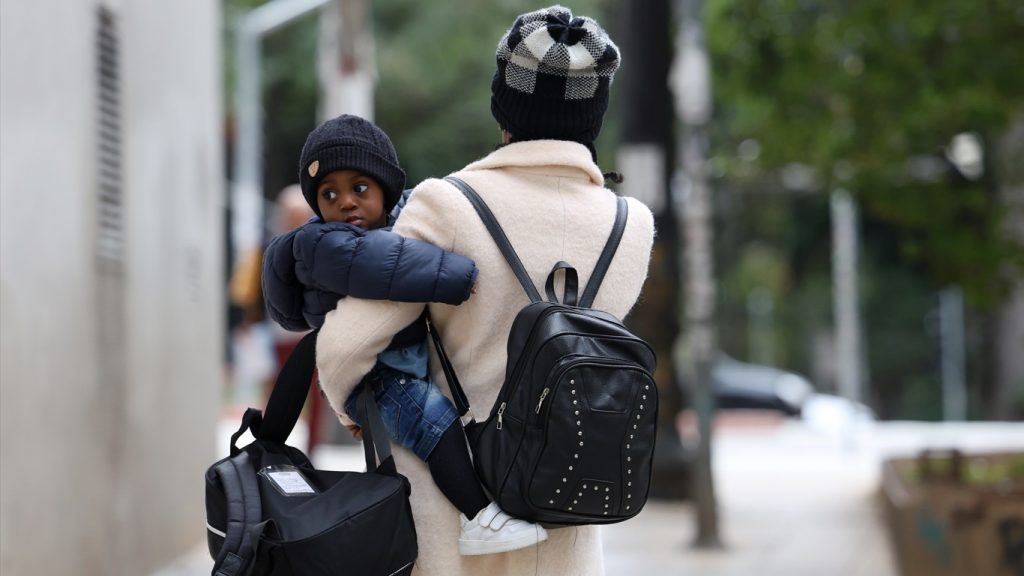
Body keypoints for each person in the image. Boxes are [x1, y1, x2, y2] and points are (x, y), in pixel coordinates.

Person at [313, 6, 656, 575]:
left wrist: (361, 407)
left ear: (504, 107)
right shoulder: (632, 224)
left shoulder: (447, 205)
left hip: (453, 526)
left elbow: (346, 348)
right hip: (568, 519)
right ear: (595, 114)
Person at [261, 114, 548, 556]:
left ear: (386, 190)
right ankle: (479, 517)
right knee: (436, 425)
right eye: (329, 194)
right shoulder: (325, 244)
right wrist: (455, 276)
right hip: (381, 377)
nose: (345, 203)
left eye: (360, 188)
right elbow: (381, 263)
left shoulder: (389, 224)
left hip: (393, 368)